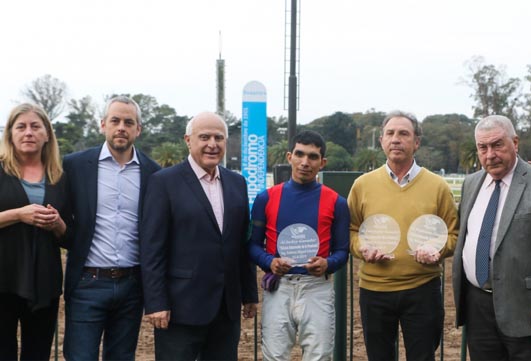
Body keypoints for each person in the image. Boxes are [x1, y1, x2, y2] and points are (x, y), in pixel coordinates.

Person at [452, 115, 531, 361]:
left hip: (528, 310)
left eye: (497, 144)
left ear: (515, 143)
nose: (490, 154)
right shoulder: (471, 183)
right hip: (478, 308)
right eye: (482, 148)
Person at [140, 111, 258, 361]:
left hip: (226, 310)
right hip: (179, 309)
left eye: (219, 137)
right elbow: (152, 248)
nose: (212, 144)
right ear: (188, 140)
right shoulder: (163, 182)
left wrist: (249, 294)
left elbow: (240, 244)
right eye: (204, 137)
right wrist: (156, 302)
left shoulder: (237, 183)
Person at [347, 110, 459, 361]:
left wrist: (438, 251)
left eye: (404, 133)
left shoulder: (437, 186)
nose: (396, 139)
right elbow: (352, 230)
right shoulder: (362, 185)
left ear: (416, 142)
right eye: (390, 133)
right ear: (382, 141)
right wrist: (362, 248)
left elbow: (453, 234)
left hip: (422, 289)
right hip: (374, 290)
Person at [62, 95, 161, 360]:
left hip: (132, 286)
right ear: (103, 124)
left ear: (138, 130)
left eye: (129, 122)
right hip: (87, 283)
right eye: (115, 120)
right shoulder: (74, 166)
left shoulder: (153, 173)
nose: (121, 127)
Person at [248, 130, 349, 361]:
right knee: (274, 356)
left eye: (313, 157)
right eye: (300, 154)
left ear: (322, 162)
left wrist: (328, 263)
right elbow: (252, 246)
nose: (305, 162)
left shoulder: (337, 202)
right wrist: (269, 262)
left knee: (319, 355)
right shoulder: (266, 198)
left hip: (316, 287)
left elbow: (343, 251)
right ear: (289, 156)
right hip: (278, 286)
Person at [0, 103, 68, 361]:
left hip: (44, 283)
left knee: (37, 355)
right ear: (10, 135)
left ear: (47, 134)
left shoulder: (60, 176)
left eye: (35, 126)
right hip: (3, 280)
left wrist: (59, 225)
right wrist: (18, 214)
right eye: (21, 127)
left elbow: (72, 234)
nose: (28, 132)